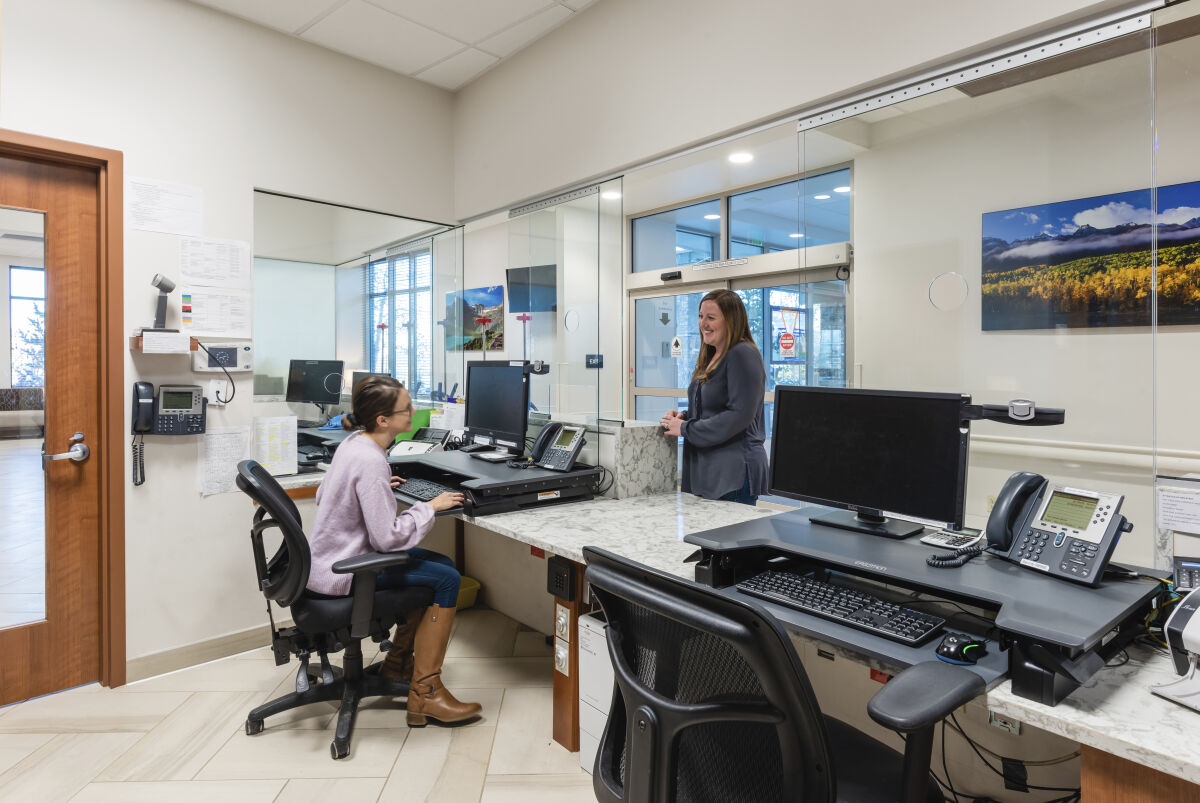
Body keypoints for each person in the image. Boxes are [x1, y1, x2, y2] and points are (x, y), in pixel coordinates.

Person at [306, 375, 482, 726]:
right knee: (447, 579)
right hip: (348, 570)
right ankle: (425, 695)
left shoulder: (355, 443)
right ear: (383, 420)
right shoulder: (371, 460)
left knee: (442, 563)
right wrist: (430, 506)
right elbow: (387, 539)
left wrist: (378, 489)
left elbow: (326, 494)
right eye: (407, 408)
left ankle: (398, 664)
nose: (414, 413)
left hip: (329, 562)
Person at [660, 289, 767, 505]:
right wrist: (683, 416)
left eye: (711, 318)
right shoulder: (711, 355)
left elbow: (738, 416)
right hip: (709, 472)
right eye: (700, 316)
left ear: (731, 321)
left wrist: (685, 428)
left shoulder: (742, 354)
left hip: (732, 473)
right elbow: (710, 408)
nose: (703, 324)